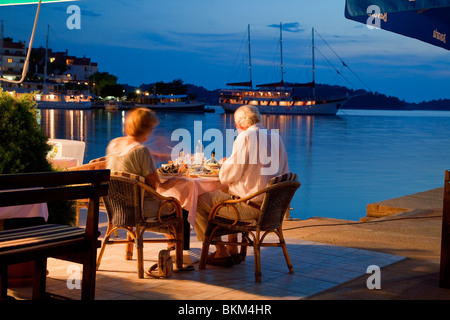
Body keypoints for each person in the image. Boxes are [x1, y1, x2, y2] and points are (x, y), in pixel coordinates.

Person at [194, 105, 289, 267]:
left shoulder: (245, 137)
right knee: (230, 193)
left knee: (197, 199)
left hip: (250, 209)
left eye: (235, 124)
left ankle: (221, 252)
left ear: (239, 123)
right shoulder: (275, 138)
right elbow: (284, 173)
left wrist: (224, 165)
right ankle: (233, 249)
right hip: (271, 209)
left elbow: (229, 175)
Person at [106, 107, 179, 219]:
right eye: (151, 128)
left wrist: (170, 156)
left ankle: (133, 234)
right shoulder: (141, 150)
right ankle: (177, 236)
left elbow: (131, 160)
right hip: (140, 209)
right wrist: (177, 178)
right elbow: (156, 188)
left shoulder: (113, 144)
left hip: (117, 207)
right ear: (146, 129)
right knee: (180, 206)